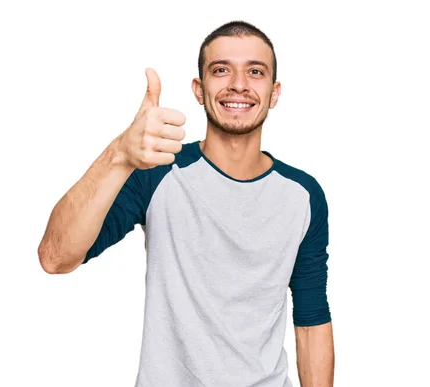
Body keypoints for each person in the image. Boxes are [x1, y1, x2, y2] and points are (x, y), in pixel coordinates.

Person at [37, 20, 334, 387]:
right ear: (199, 88)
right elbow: (55, 257)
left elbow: (311, 318)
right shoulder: (157, 173)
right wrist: (120, 155)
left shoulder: (303, 195)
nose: (238, 84)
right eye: (221, 70)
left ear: (274, 93)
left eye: (254, 72)